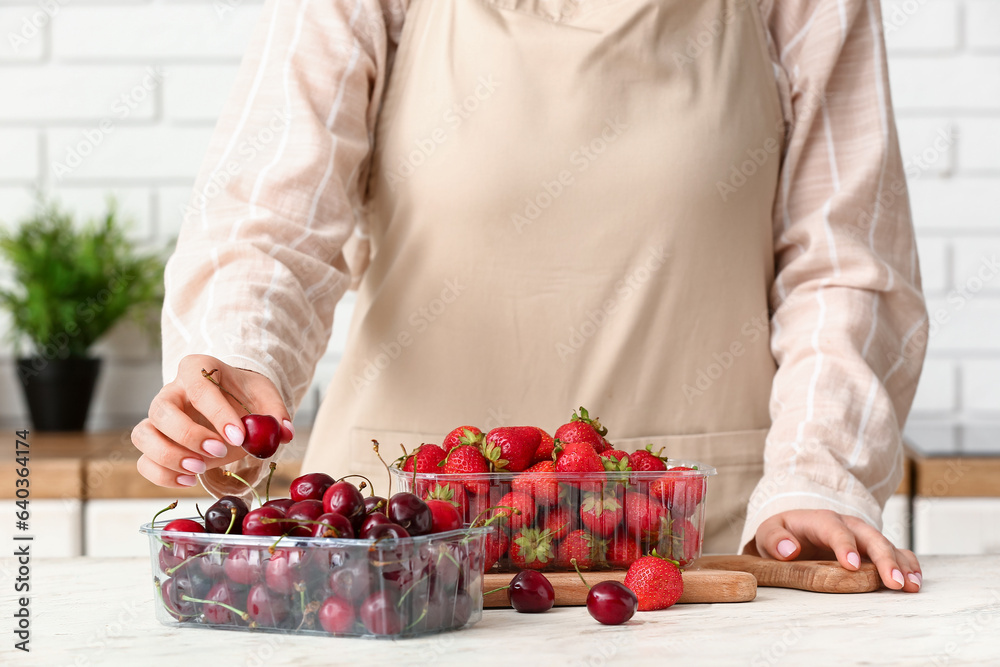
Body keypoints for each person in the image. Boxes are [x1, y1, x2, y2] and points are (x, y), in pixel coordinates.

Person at [131, 0, 928, 592]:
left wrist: (817, 475)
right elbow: (271, 224)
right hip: (397, 562)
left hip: (705, 569)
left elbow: (845, 263)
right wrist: (236, 370)